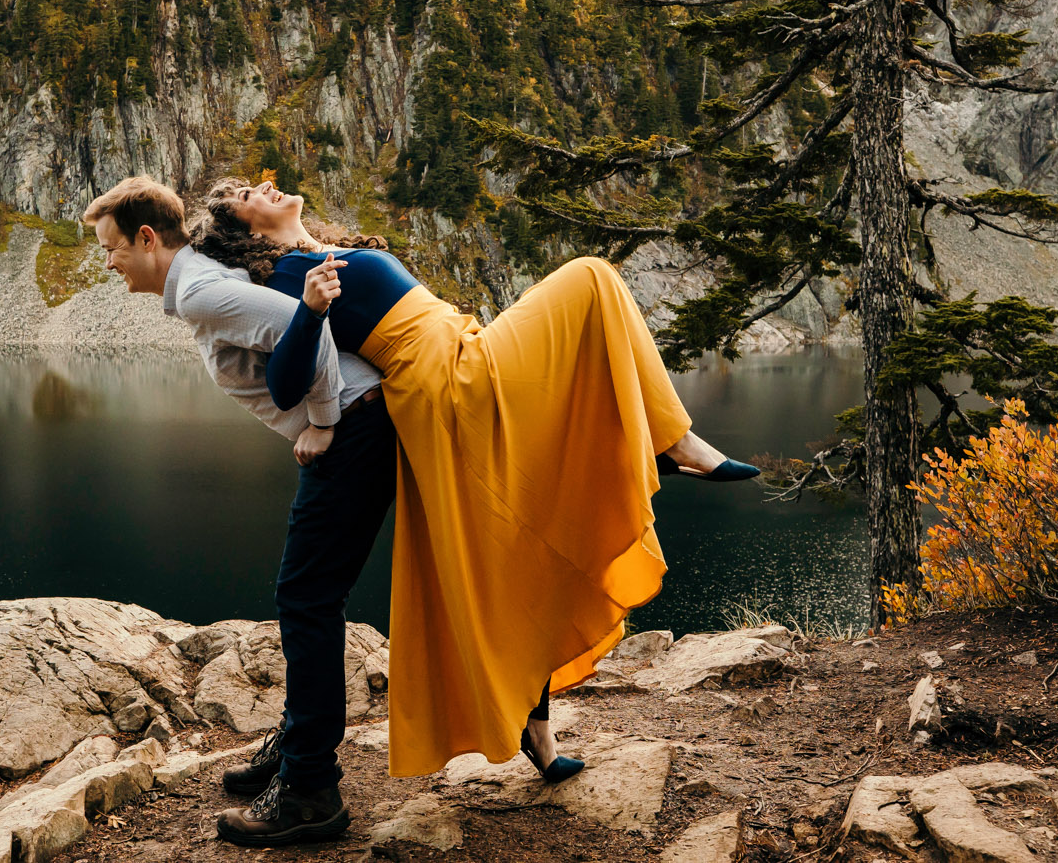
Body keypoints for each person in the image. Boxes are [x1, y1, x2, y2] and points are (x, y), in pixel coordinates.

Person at [190, 176, 758, 790]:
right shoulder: (284, 281)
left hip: (465, 350)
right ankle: (671, 441)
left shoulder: (320, 251)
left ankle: (537, 730)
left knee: (513, 555)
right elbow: (284, 381)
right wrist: (312, 319)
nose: (265, 184)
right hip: (449, 384)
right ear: (243, 230)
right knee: (591, 277)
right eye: (246, 192)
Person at [80, 176, 392, 847]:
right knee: (309, 592)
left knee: (306, 596)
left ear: (145, 238)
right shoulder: (193, 282)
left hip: (358, 427)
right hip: (361, 424)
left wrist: (324, 419)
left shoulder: (195, 288)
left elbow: (298, 323)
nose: (107, 263)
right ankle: (296, 745)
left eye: (111, 248)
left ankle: (310, 786)